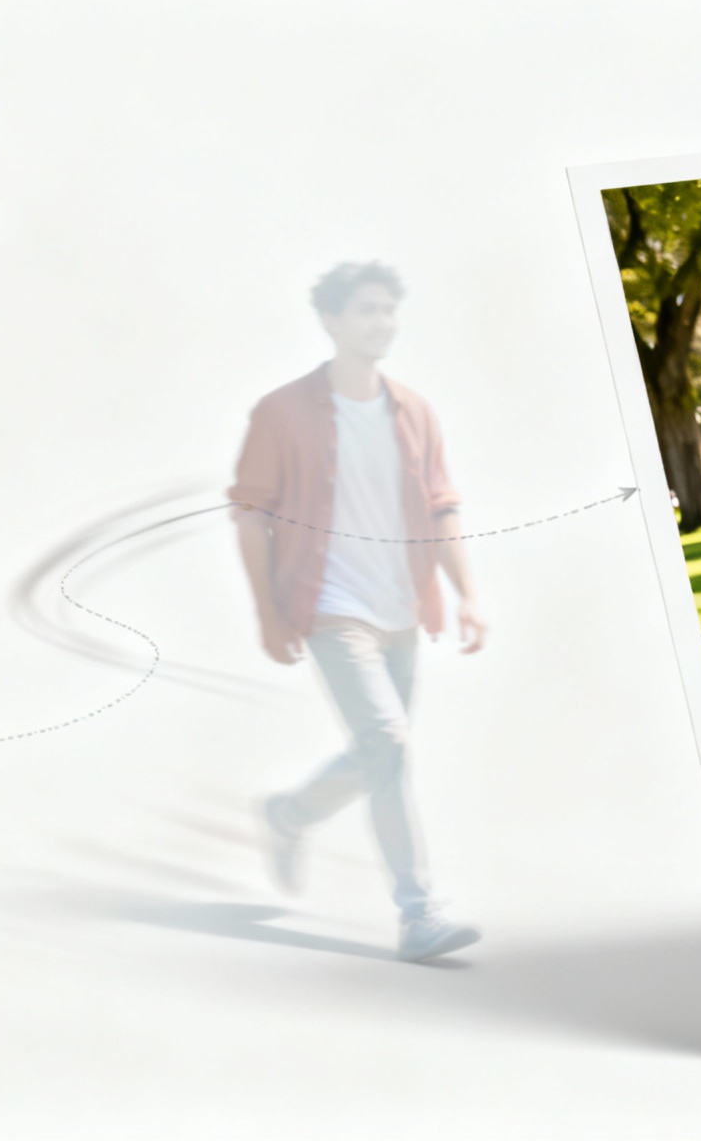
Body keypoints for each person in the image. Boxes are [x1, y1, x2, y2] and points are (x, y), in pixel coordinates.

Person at [232, 261, 486, 962]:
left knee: (384, 756)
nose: (382, 322)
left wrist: (466, 595)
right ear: (332, 321)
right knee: (390, 743)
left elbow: (442, 507)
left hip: (401, 608)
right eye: (367, 310)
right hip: (329, 607)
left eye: (388, 310)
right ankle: (420, 914)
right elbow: (251, 515)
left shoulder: (414, 411)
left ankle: (289, 814)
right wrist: (267, 611)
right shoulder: (281, 412)